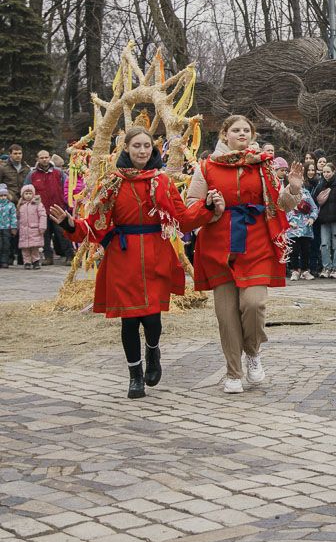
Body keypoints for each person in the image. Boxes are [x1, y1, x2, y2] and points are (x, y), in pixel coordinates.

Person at [50, 128, 215, 398]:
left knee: (152, 318)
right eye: (137, 145)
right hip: (123, 258)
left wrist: (206, 208)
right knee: (129, 320)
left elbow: (183, 220)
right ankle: (135, 376)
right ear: (126, 148)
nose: (142, 151)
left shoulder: (162, 181)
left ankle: (153, 351)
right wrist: (70, 225)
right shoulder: (112, 183)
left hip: (156, 255)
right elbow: (96, 225)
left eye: (146, 146)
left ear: (153, 149)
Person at [187, 115, 301, 394]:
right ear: (224, 134)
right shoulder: (207, 167)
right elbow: (191, 206)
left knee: (254, 304)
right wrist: (210, 206)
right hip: (219, 247)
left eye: (246, 130)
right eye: (236, 130)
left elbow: (280, 205)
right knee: (226, 316)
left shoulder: (263, 165)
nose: (242, 134)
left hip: (257, 243)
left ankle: (252, 351)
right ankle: (233, 373)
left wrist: (294, 189)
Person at [26, 149, 73, 265]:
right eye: (41, 158)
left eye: (46, 157)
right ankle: (48, 257)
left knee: (62, 233)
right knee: (45, 235)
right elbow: (26, 190)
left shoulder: (59, 172)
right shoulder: (32, 174)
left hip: (58, 208)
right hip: (41, 210)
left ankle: (70, 256)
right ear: (37, 159)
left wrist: (67, 204)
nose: (44, 159)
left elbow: (67, 187)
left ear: (50, 158)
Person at [285, 163, 317, 282]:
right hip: (292, 227)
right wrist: (288, 222)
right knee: (293, 250)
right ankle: (294, 270)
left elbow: (314, 208)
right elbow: (282, 209)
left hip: (305, 227)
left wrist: (312, 218)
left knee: (305, 250)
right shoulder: (286, 193)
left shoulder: (306, 193)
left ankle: (305, 270)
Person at [312, 164, 336, 277]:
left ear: (334, 172)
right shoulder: (320, 184)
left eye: (328, 172)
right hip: (324, 219)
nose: (326, 174)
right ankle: (326, 267)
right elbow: (314, 198)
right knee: (324, 244)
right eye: (324, 172)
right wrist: (320, 185)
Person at [17, 184, 46, 268]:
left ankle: (36, 261)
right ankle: (27, 262)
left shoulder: (37, 204)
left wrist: (42, 226)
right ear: (23, 194)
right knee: (25, 248)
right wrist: (17, 227)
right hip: (23, 231)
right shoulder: (21, 205)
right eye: (26, 193)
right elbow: (18, 217)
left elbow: (42, 215)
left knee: (34, 247)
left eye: (30, 193)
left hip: (34, 229)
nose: (28, 195)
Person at [0, 184, 15, 268]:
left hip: (6, 228)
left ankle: (4, 261)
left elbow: (13, 217)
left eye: (5, 195)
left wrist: (13, 227)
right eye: (1, 196)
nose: (3, 197)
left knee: (6, 245)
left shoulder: (11, 205)